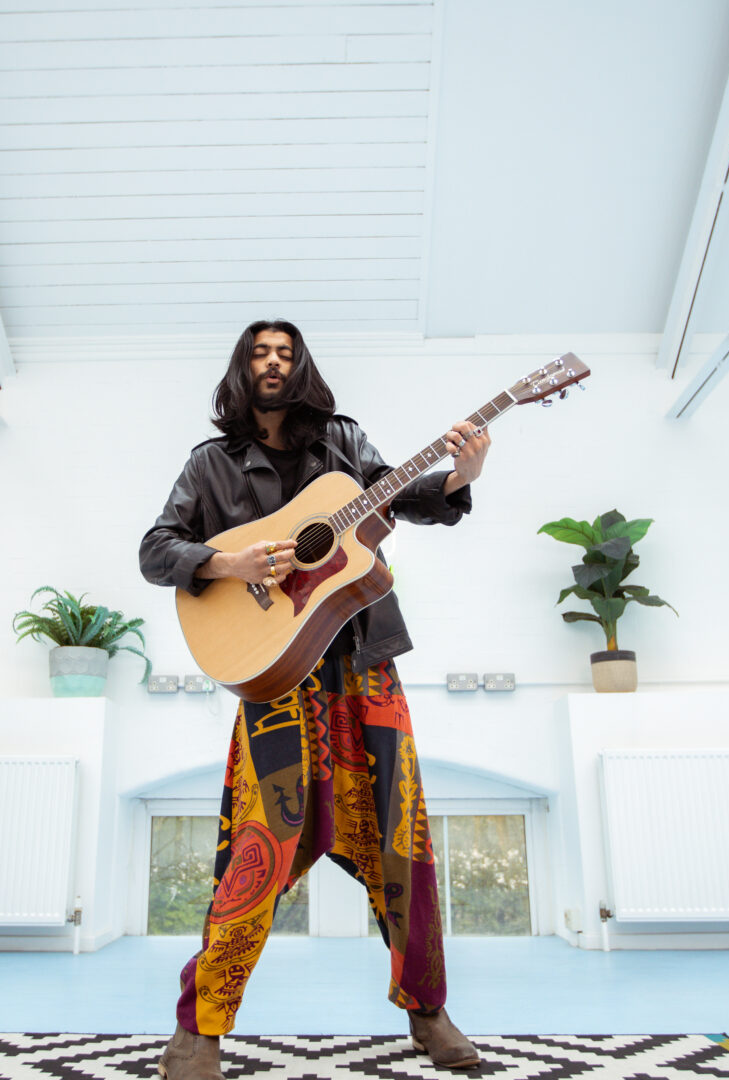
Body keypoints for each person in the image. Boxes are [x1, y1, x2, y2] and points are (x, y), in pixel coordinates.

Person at [139, 320, 491, 1080]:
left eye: (286, 353)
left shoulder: (344, 443)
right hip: (273, 676)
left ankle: (428, 1012)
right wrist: (225, 559)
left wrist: (460, 477)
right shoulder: (210, 464)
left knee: (404, 840)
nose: (274, 363)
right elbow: (156, 549)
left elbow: (410, 495)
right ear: (242, 368)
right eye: (261, 353)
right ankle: (200, 1027)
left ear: (303, 367)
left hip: (363, 666)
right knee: (253, 854)